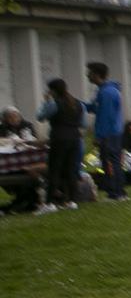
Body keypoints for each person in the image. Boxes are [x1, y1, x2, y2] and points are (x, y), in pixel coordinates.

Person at [38, 79, 83, 209]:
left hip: (59, 137)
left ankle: (50, 203)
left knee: (54, 169)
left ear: (52, 91)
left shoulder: (54, 103)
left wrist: (46, 101)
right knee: (71, 170)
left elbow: (40, 117)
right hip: (75, 137)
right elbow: (83, 123)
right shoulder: (77, 104)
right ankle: (72, 201)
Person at [84, 62, 125, 201]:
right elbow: (96, 108)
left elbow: (105, 117)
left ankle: (115, 193)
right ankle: (119, 192)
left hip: (109, 134)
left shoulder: (107, 92)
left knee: (110, 163)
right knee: (113, 163)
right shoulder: (105, 90)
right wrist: (79, 104)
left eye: (89, 73)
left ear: (96, 74)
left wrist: (99, 136)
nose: (87, 75)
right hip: (113, 133)